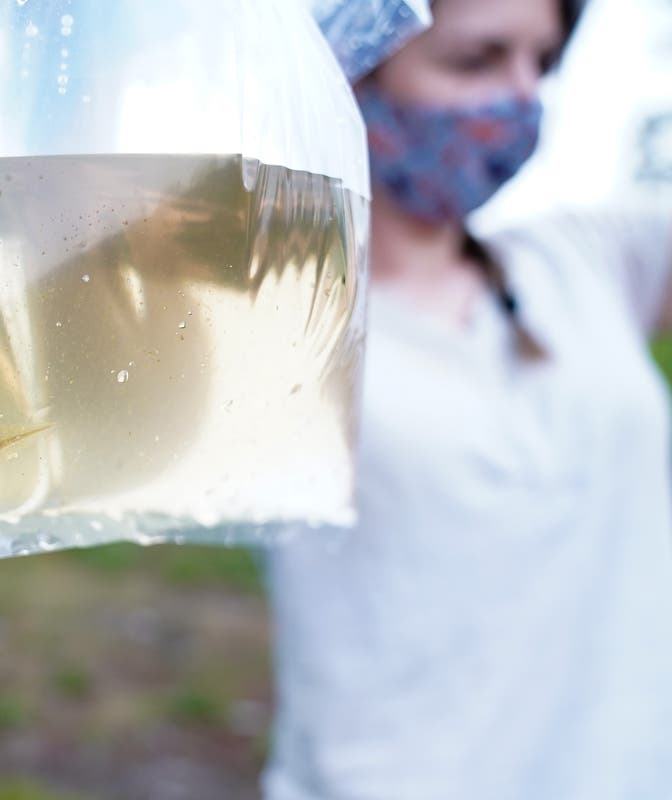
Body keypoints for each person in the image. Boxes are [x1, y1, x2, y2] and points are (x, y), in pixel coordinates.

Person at [263, 0, 672, 797]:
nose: (521, 97)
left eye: (541, 62)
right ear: (351, 68)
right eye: (477, 61)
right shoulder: (276, 315)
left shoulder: (585, 259)